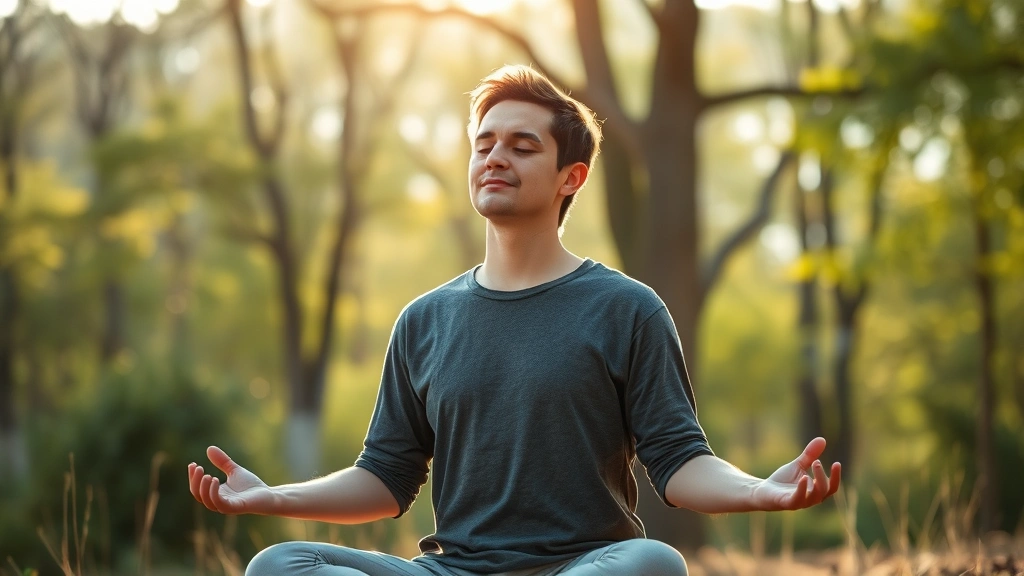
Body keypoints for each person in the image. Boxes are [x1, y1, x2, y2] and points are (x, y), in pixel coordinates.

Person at [187, 65, 841, 576]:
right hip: (455, 571)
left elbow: (678, 463)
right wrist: (268, 496)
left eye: (523, 146)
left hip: (585, 567)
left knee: (653, 563)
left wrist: (762, 490)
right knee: (280, 565)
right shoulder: (425, 321)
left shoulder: (627, 309)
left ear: (570, 176)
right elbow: (384, 483)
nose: (496, 157)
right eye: (485, 143)